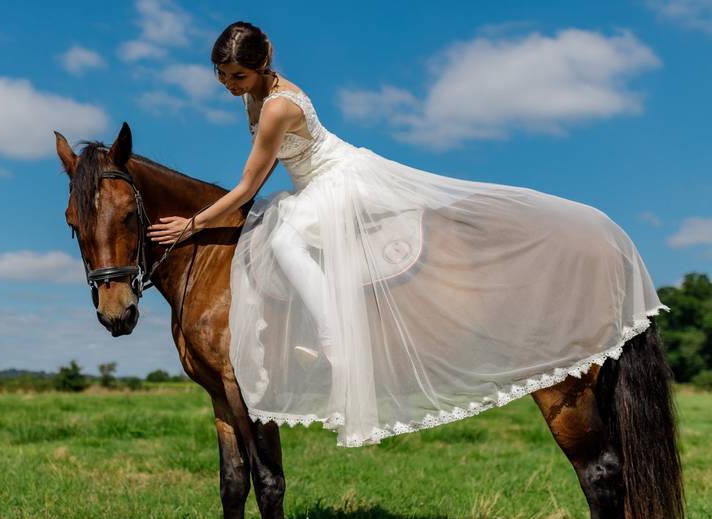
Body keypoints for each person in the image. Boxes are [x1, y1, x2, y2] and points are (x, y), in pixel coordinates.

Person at [147, 21, 668, 447]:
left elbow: (246, 186)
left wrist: (192, 223)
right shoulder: (252, 95)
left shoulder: (279, 106)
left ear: (262, 65)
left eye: (236, 75)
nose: (229, 85)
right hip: (314, 182)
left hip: (337, 182)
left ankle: (333, 338)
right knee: (280, 235)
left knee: (281, 238)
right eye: (222, 76)